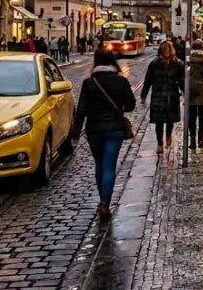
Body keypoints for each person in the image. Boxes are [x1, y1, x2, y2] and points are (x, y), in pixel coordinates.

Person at [74, 50, 137, 222]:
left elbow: (81, 111)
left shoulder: (89, 83)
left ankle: (102, 201)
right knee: (109, 166)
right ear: (113, 62)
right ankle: (105, 204)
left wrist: (74, 135)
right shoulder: (121, 81)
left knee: (99, 165)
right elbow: (131, 105)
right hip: (115, 129)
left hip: (94, 129)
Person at [142, 41, 184, 149]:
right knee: (159, 121)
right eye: (165, 50)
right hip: (159, 95)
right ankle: (160, 143)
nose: (167, 52)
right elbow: (148, 80)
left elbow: (182, 79)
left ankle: (167, 137)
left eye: (168, 50)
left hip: (170, 95)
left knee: (169, 119)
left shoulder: (177, 63)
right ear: (161, 51)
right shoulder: (155, 63)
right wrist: (144, 94)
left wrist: (184, 91)